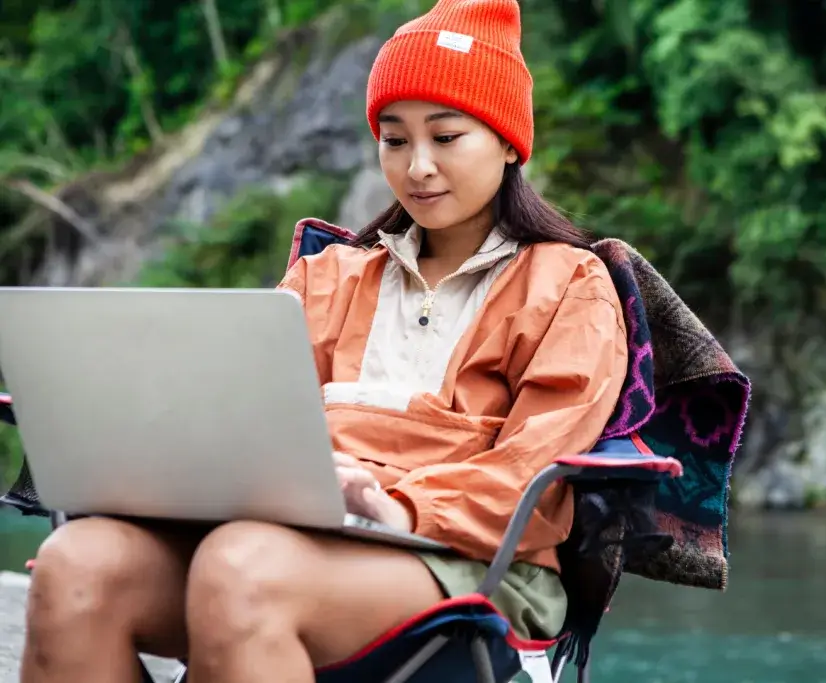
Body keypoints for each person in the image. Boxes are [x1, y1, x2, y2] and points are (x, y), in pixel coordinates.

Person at [18, 1, 629, 682]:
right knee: (79, 565)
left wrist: (393, 502)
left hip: (471, 559)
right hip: (286, 534)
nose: (418, 165)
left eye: (446, 137)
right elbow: (235, 425)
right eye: (395, 140)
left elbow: (536, 468)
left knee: (241, 568)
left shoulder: (571, 283)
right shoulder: (325, 277)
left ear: (511, 142)